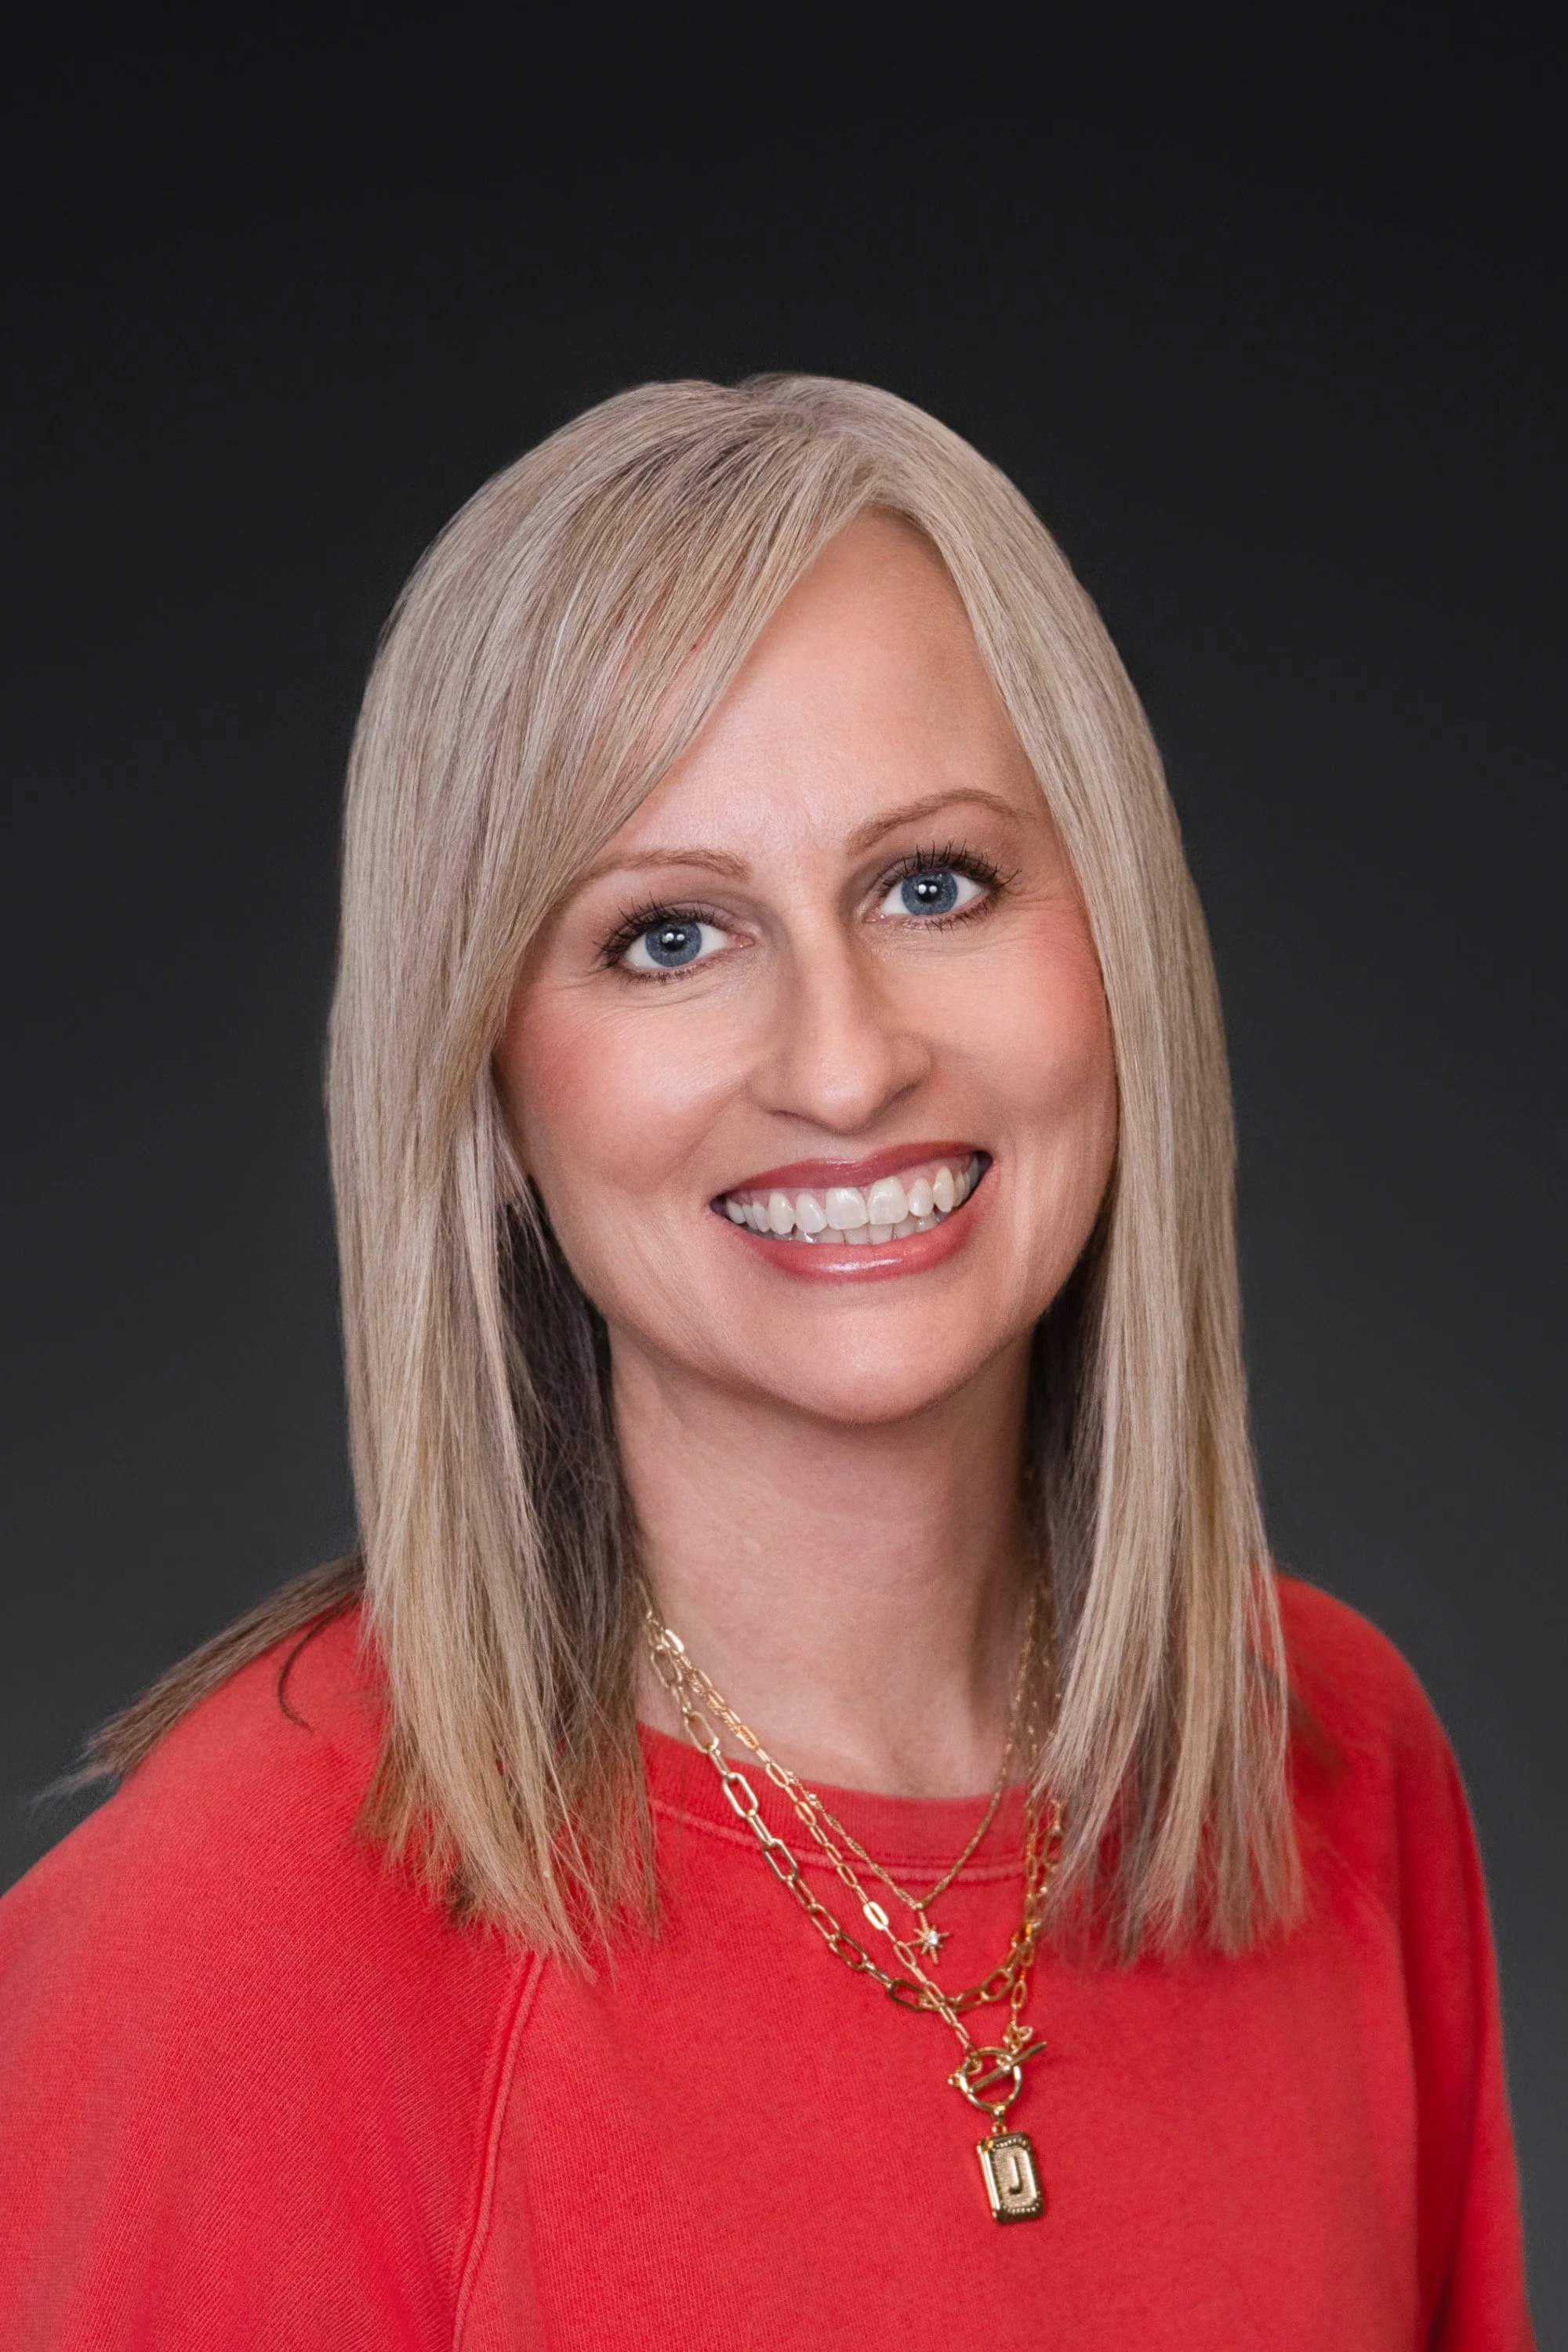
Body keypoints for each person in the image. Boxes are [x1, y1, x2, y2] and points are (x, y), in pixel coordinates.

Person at [0, 377, 1531, 2350]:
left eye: (932, 884)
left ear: (1120, 946)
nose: (842, 1061)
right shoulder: (243, 1929)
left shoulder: (1329, 1761)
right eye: (665, 937)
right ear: (487, 1087)